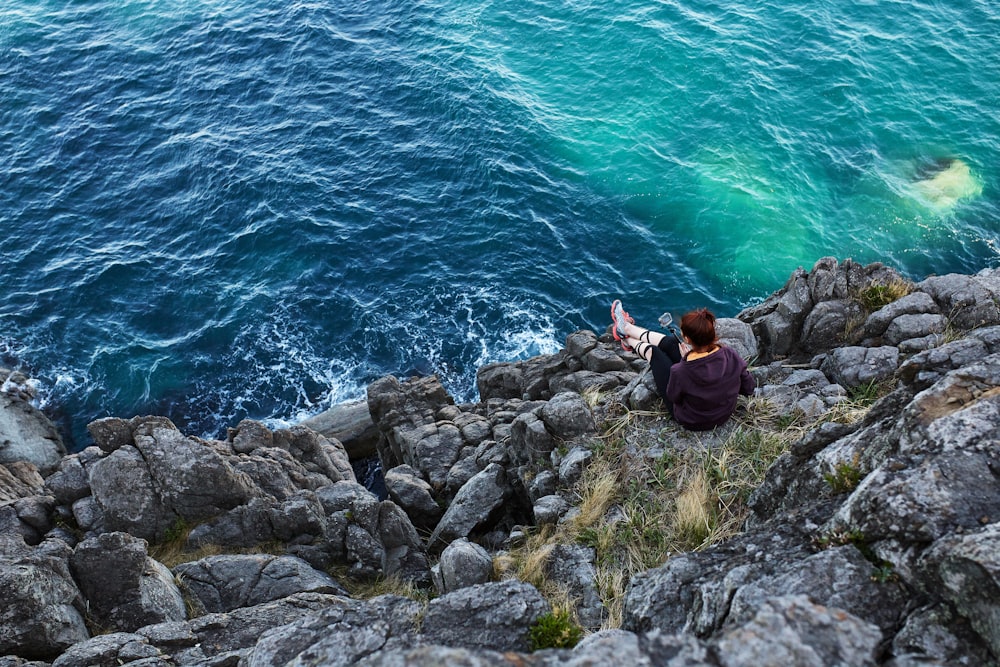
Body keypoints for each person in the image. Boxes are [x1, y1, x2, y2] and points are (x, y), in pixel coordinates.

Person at [610, 299, 755, 431]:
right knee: (673, 343)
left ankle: (627, 340)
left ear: (687, 339)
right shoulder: (729, 354)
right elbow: (749, 387)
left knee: (654, 353)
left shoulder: (680, 371)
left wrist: (685, 360)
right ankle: (627, 328)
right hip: (723, 414)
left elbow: (673, 397)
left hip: (693, 420)